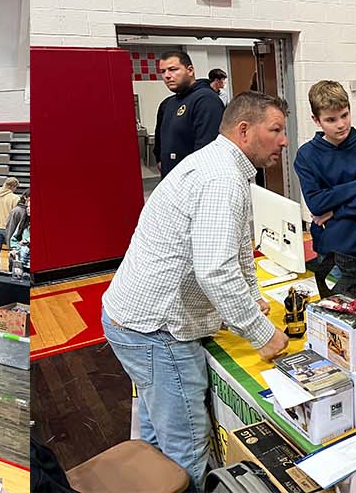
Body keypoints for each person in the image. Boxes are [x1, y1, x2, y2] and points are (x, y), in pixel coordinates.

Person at [101, 92, 293, 487]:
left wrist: (251, 297)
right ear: (244, 131)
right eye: (275, 130)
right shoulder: (222, 178)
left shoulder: (221, 165)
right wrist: (262, 334)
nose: (284, 140)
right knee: (185, 451)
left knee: (156, 442)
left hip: (134, 319)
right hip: (157, 331)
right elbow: (216, 270)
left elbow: (237, 248)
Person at [294, 80, 356, 264]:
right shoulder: (306, 155)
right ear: (316, 120)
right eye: (331, 120)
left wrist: (336, 211)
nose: (341, 124)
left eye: (344, 115)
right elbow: (316, 204)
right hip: (331, 250)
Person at [153, 51, 226, 177]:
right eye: (163, 71)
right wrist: (160, 160)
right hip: (171, 179)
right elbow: (160, 140)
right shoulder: (168, 104)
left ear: (190, 70)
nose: (167, 76)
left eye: (173, 69)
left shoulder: (205, 99)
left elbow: (207, 150)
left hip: (194, 179)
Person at [0, 178, 20, 266]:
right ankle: (11, 269)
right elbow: (16, 214)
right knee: (12, 251)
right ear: (12, 186)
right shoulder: (14, 198)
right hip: (9, 228)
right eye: (16, 187)